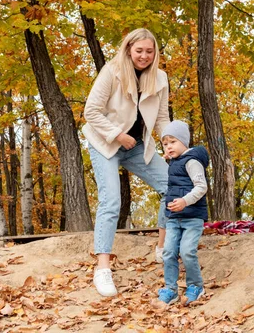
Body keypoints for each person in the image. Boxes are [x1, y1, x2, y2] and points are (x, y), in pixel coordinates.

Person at [83, 28, 170, 297]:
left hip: (136, 146)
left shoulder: (161, 78)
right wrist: (117, 135)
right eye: (139, 50)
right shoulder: (112, 71)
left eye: (149, 51)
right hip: (106, 143)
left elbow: (162, 117)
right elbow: (91, 112)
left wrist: (170, 145)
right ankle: (102, 269)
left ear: (155, 53)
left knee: (174, 185)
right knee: (111, 201)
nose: (144, 55)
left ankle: (162, 249)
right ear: (129, 50)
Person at [157, 120, 209, 305]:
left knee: (187, 252)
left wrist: (185, 201)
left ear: (184, 142)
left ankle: (196, 285)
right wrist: (170, 159)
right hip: (174, 218)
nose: (168, 146)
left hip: (192, 217)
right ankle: (171, 289)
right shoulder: (175, 161)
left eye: (172, 142)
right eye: (165, 143)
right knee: (169, 252)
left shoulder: (192, 161)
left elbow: (201, 187)